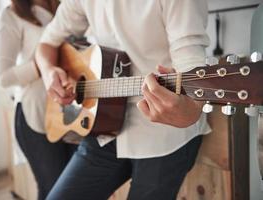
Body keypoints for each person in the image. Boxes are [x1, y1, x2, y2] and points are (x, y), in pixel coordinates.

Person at [36, 0, 212, 199]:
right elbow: (46, 43)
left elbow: (191, 62)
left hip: (165, 136)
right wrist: (48, 71)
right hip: (103, 129)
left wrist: (190, 111)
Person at [0, 1, 77, 199]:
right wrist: (44, 64)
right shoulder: (11, 15)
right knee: (52, 187)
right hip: (36, 116)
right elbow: (3, 77)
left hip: (73, 110)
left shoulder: (66, 6)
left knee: (75, 188)